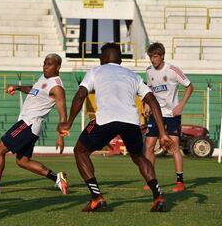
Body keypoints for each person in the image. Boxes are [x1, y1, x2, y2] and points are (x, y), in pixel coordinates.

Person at [58, 43, 173, 212]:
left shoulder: (96, 71)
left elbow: (81, 94)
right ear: (119, 59)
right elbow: (152, 100)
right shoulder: (133, 75)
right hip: (131, 121)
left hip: (106, 120)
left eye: (100, 57)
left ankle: (96, 198)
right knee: (139, 156)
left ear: (104, 58)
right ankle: (158, 197)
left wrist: (68, 122)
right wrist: (163, 133)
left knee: (80, 151)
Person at [0, 54, 69, 195]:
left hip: (29, 124)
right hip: (30, 125)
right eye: (44, 63)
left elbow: (63, 113)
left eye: (49, 64)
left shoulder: (57, 87)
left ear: (58, 67)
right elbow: (34, 90)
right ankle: (56, 178)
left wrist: (61, 136)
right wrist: (18, 87)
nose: (45, 66)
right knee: (22, 161)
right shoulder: (44, 78)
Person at [143, 42, 193, 192]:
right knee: (149, 146)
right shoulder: (149, 71)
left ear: (162, 56)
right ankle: (151, 180)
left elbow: (189, 86)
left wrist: (181, 105)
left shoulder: (172, 70)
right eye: (151, 57)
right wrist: (146, 104)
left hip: (172, 114)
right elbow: (150, 89)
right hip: (156, 114)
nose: (153, 60)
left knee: (173, 147)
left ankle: (180, 182)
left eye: (156, 56)